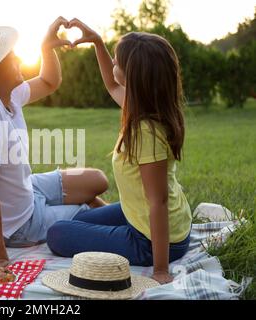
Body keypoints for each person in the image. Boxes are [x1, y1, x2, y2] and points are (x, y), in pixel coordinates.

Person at [0, 17, 109, 267]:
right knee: (91, 213)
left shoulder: (7, 93)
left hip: (28, 190)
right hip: (17, 225)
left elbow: (49, 82)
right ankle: (135, 231)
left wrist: (46, 48)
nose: (16, 58)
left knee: (98, 181)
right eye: (9, 57)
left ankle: (127, 223)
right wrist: (0, 258)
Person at [46, 18, 192, 284]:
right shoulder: (142, 105)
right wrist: (98, 43)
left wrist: (160, 269)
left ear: (133, 75)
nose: (113, 62)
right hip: (135, 215)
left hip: (150, 240)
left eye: (116, 60)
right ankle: (115, 229)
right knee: (80, 219)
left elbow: (157, 203)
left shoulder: (147, 132)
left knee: (57, 233)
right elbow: (113, 86)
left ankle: (145, 251)